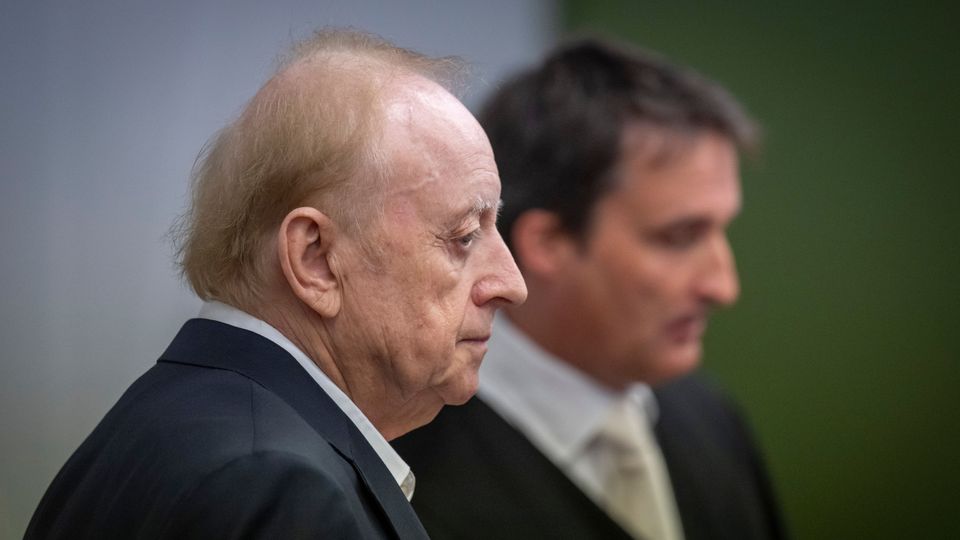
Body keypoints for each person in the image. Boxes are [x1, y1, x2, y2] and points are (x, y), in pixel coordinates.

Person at [25, 29, 526, 539]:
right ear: (316, 260)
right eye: (464, 236)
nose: (511, 284)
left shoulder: (170, 428)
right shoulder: (278, 484)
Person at [393, 37, 786, 540]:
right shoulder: (401, 485)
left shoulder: (713, 422)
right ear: (549, 243)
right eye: (679, 237)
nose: (723, 287)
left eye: (721, 230)